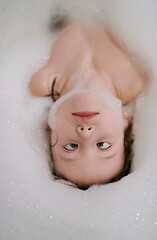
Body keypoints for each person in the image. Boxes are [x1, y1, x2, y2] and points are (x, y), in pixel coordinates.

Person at [29, 23, 147, 189]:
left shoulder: (42, 81)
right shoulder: (136, 78)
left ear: (50, 127)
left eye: (71, 146)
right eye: (103, 145)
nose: (85, 134)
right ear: (124, 121)